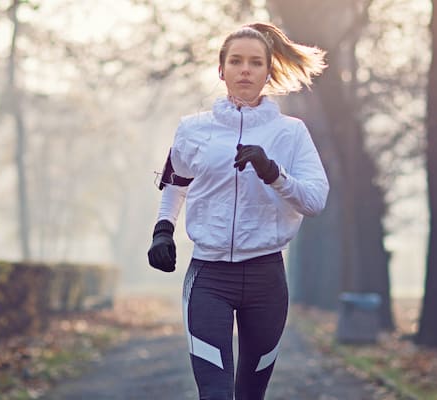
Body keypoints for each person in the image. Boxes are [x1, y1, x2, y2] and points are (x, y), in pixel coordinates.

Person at [147, 22, 330, 400]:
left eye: (254, 62)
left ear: (268, 72)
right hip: (209, 278)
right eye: (235, 61)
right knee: (215, 393)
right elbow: (176, 182)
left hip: (266, 279)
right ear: (221, 70)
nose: (244, 69)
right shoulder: (192, 130)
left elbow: (315, 201)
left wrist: (273, 173)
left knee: (250, 395)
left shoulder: (291, 133)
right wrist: (163, 229)